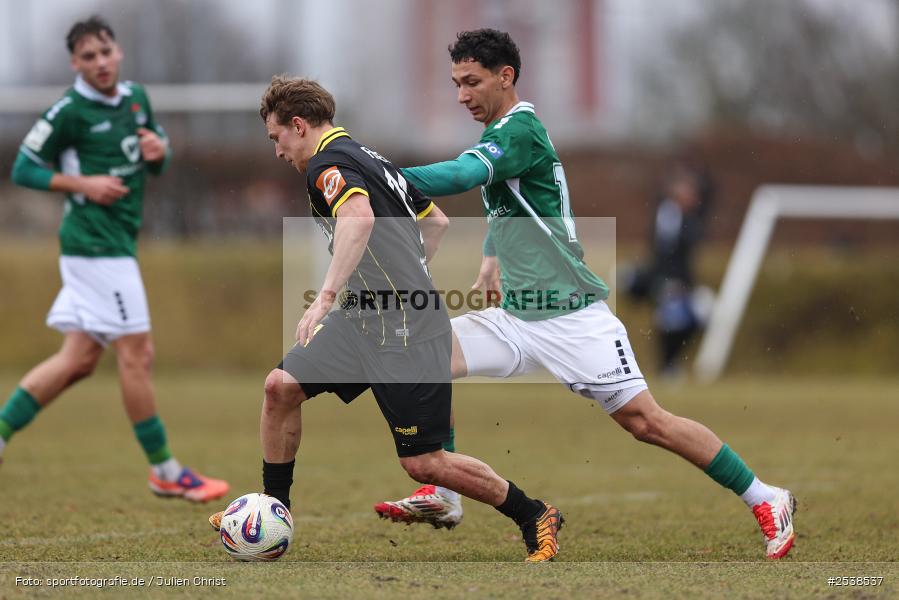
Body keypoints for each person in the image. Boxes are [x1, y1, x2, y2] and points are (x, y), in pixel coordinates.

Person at [374, 28, 796, 560]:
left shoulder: (519, 130)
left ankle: (766, 496)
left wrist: (381, 175)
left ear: (507, 77)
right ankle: (442, 491)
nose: (462, 95)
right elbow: (510, 199)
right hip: (517, 320)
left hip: (574, 319)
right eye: (456, 83)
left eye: (472, 82)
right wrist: (491, 255)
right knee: (423, 355)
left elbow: (461, 174)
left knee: (647, 423)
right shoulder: (503, 133)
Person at [207, 76, 564, 562]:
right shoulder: (370, 157)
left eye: (276, 138)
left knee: (424, 462)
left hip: (404, 328)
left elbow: (359, 219)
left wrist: (324, 297)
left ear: (297, 125)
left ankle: (534, 512)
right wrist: (401, 275)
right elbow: (435, 221)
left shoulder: (327, 164)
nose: (277, 152)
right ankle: (273, 512)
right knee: (280, 388)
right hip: (364, 317)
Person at [2, 16, 229, 502]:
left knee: (79, 360)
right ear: (75, 64)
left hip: (117, 243)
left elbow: (159, 160)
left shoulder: (136, 98)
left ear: (117, 52)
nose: (100, 63)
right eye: (88, 57)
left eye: (105, 52)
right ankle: (165, 470)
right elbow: (23, 167)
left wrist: (159, 149)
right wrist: (83, 184)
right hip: (94, 246)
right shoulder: (68, 111)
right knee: (137, 355)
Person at [625, 165, 713, 375]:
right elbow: (663, 253)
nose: (691, 196)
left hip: (682, 283)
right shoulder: (666, 213)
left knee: (699, 314)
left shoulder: (691, 218)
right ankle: (666, 366)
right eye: (687, 191)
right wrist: (667, 280)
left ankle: (671, 363)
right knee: (671, 318)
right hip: (665, 280)